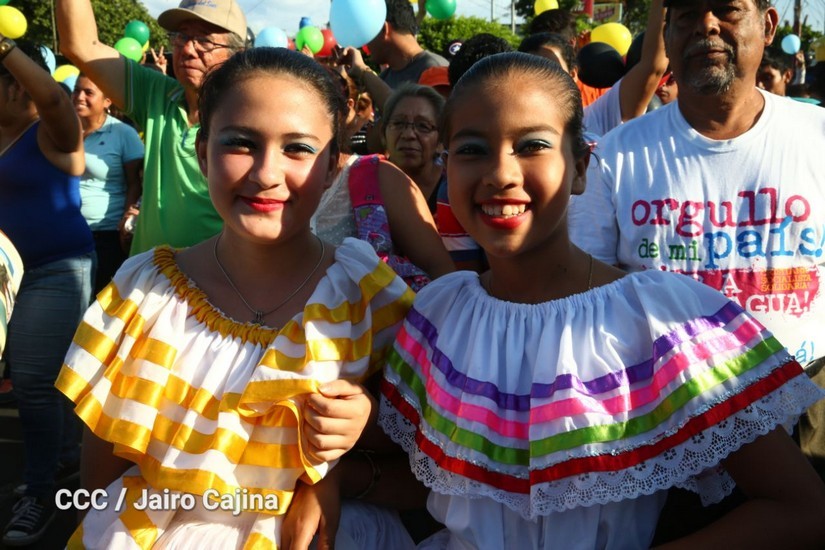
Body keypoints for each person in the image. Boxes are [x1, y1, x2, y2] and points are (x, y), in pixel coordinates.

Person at [378, 51, 825, 549]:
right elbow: (424, 482)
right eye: (471, 149)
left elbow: (801, 508)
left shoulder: (660, 324)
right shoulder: (439, 316)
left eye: (532, 145)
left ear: (580, 168)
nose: (500, 173)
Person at [55, 48, 415, 549]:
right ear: (203, 153)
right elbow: (100, 482)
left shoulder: (367, 295)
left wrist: (356, 437)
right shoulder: (144, 296)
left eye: (298, 149)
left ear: (333, 166)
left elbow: (429, 468)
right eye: (241, 143)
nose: (266, 173)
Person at [56, 0, 247, 255]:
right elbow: (80, 45)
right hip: (146, 274)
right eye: (181, 37)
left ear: (236, 54)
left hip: (213, 278)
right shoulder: (156, 93)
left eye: (204, 40)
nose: (188, 50)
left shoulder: (249, 118)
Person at [0, 38, 94, 546]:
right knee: (41, 381)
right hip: (7, 276)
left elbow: (55, 98)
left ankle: (38, 493)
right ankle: (63, 457)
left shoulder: (52, 131)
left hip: (56, 269)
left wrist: (4, 47)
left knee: (34, 384)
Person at [312, 76, 455, 290]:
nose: (409, 134)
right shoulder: (365, 180)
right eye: (398, 124)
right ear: (383, 134)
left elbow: (445, 274)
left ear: (441, 141)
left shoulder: (452, 192)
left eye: (423, 126)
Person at [72, 74, 144, 293]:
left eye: (88, 92)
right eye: (76, 90)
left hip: (105, 236)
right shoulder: (63, 129)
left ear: (107, 101)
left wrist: (125, 225)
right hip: (67, 232)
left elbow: (135, 183)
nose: (79, 97)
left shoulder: (123, 134)